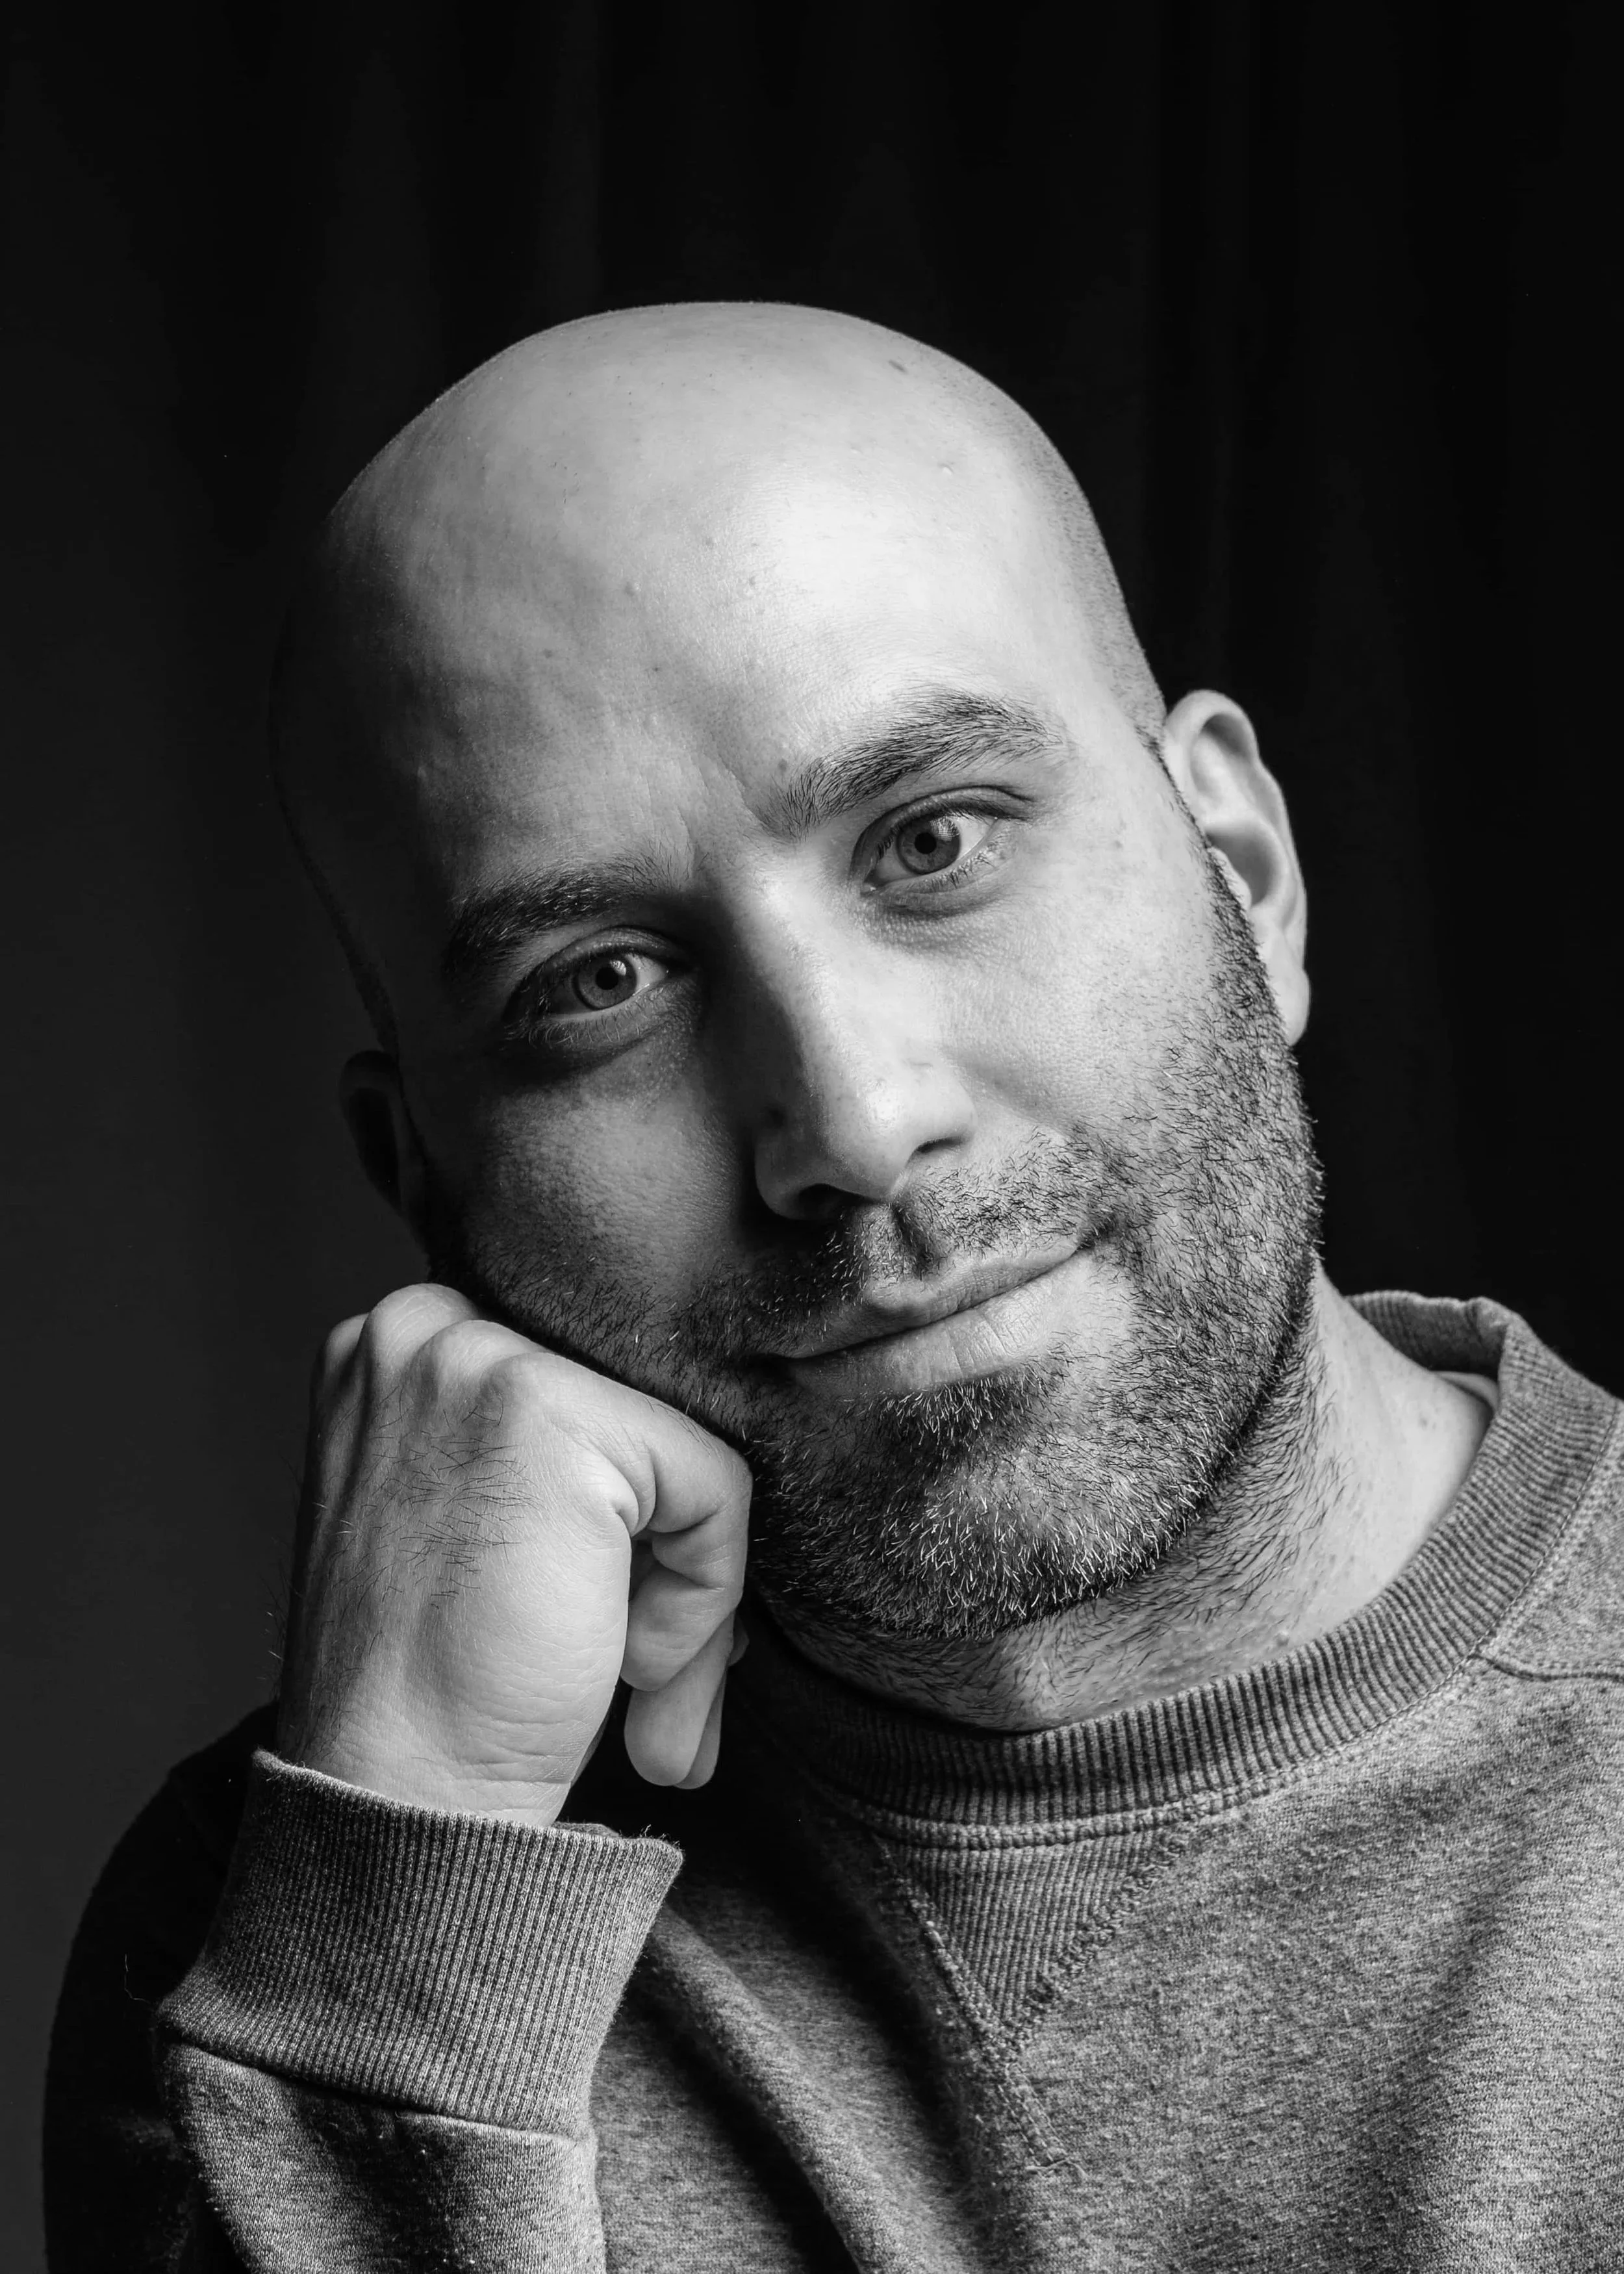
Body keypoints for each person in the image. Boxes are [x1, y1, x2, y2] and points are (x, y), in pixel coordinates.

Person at [44, 303, 1624, 2272]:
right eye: (598, 983)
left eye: (934, 842)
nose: (852, 1129)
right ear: (416, 1171)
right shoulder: (293, 1933)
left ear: (1243, 869)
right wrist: (406, 1868)